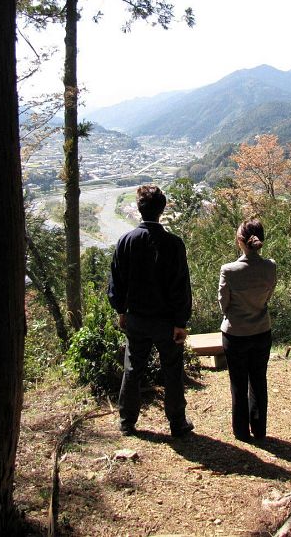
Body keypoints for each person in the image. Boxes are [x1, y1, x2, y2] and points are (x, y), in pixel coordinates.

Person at [108, 184, 194, 437]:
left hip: (136, 317)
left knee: (133, 368)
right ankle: (177, 422)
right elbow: (181, 285)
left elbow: (116, 281)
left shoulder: (126, 241)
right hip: (166, 321)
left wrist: (121, 310)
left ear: (139, 208)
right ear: (162, 209)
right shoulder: (173, 244)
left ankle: (127, 421)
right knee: (172, 370)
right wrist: (181, 321)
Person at [218, 219, 277, 442]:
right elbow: (268, 295)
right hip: (262, 330)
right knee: (259, 380)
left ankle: (241, 432)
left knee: (238, 383)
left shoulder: (229, 270)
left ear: (240, 241)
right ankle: (260, 429)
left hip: (235, 333)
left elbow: (223, 304)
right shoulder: (270, 266)